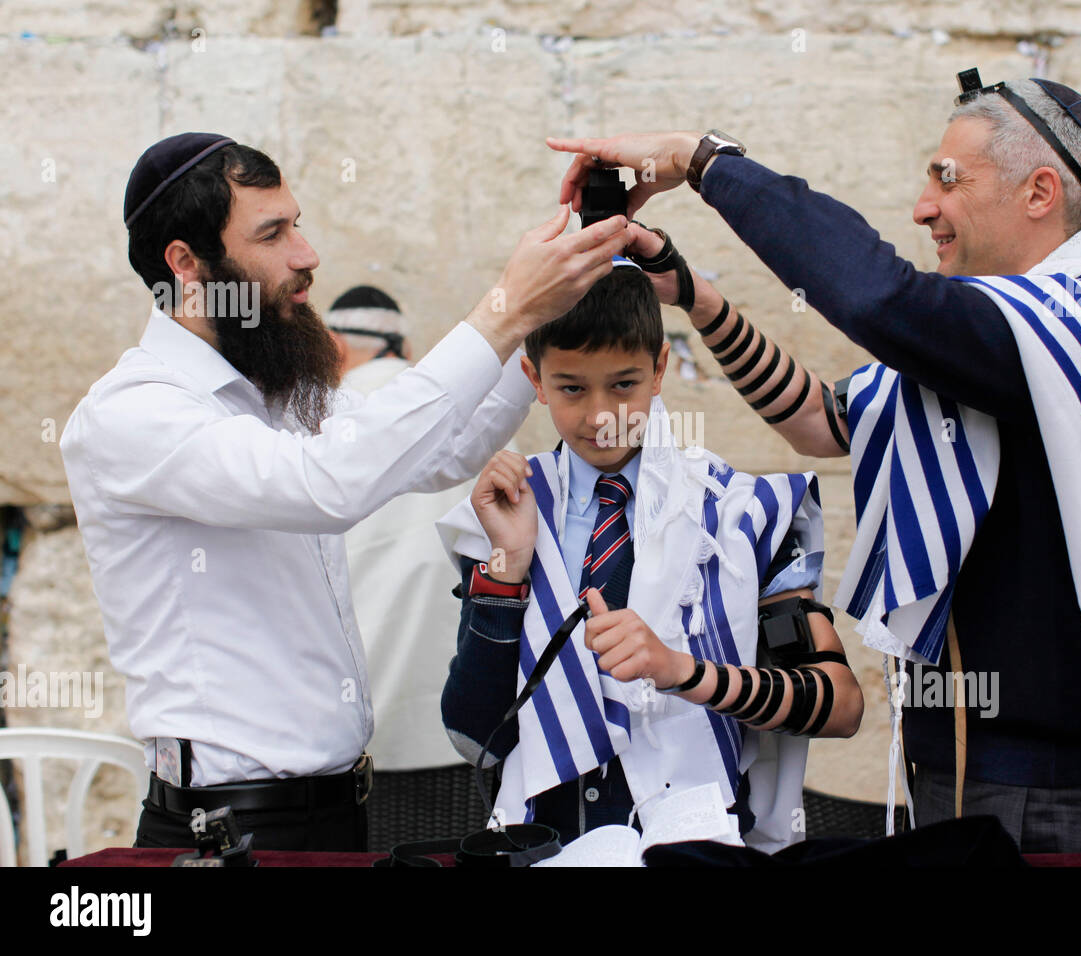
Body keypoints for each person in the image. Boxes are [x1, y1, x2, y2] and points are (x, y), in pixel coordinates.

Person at [546, 72, 1081, 865]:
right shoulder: (1003, 332)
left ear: (1039, 192)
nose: (923, 206)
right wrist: (699, 298)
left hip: (1053, 800)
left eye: (947, 179)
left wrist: (703, 160)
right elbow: (822, 421)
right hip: (947, 776)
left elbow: (877, 300)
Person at [59, 132, 631, 851]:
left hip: (333, 817)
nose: (307, 255)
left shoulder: (275, 392)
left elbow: (439, 452)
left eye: (296, 224)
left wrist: (542, 318)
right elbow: (328, 484)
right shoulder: (133, 412)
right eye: (273, 234)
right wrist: (504, 308)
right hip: (228, 833)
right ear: (186, 263)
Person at [438, 262, 863, 852]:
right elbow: (471, 734)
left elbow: (839, 704)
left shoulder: (744, 511)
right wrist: (507, 568)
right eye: (570, 388)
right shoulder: (507, 509)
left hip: (697, 851)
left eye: (623, 384)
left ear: (660, 369)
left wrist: (681, 672)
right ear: (534, 379)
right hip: (546, 846)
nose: (599, 416)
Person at [326, 285, 490, 777]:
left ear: (334, 346)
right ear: (407, 349)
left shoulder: (318, 416)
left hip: (359, 722)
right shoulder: (464, 406)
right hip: (469, 714)